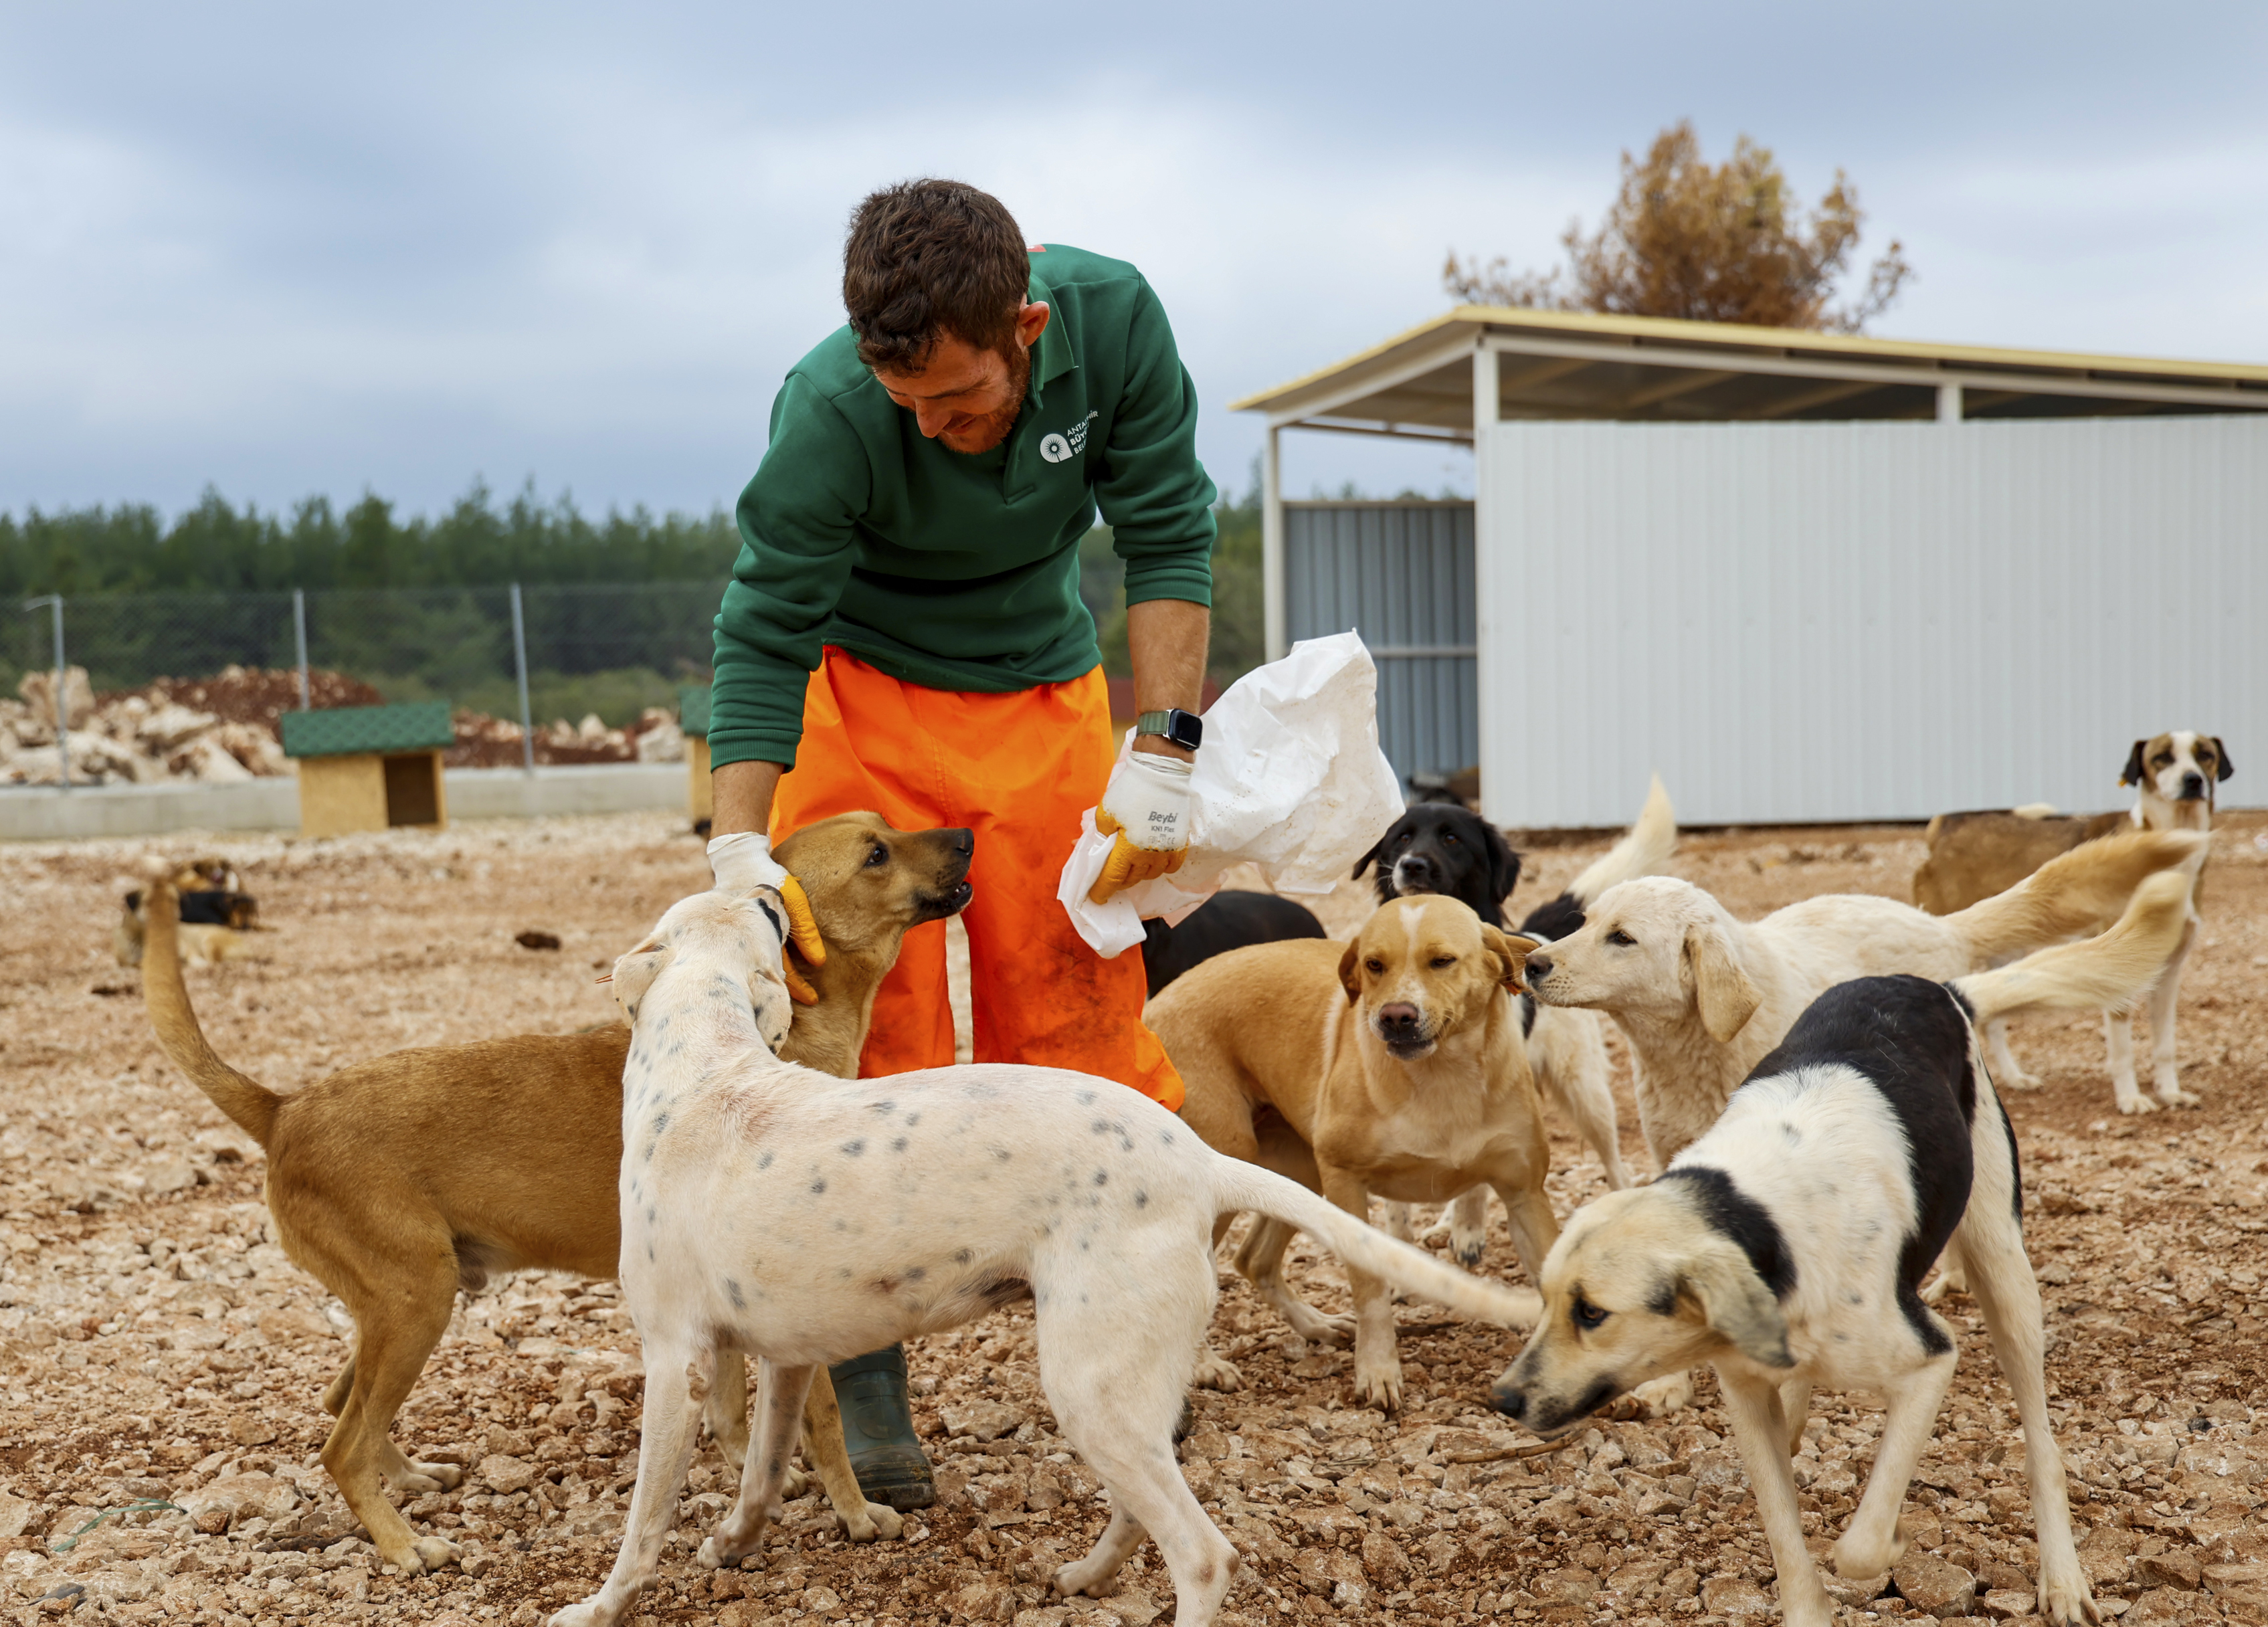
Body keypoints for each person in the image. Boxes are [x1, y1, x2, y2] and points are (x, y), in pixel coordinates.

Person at [702, 178, 1216, 1508]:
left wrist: (1166, 749)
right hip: (860, 695)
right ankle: (865, 1379)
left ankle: (1135, 1337)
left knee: (1083, 1000)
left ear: (1027, 328)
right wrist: (735, 863)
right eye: (908, 405)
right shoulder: (829, 412)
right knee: (860, 1031)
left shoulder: (1117, 323)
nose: (931, 427)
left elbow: (1167, 529)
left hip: (1042, 686)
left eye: (957, 398)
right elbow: (761, 633)